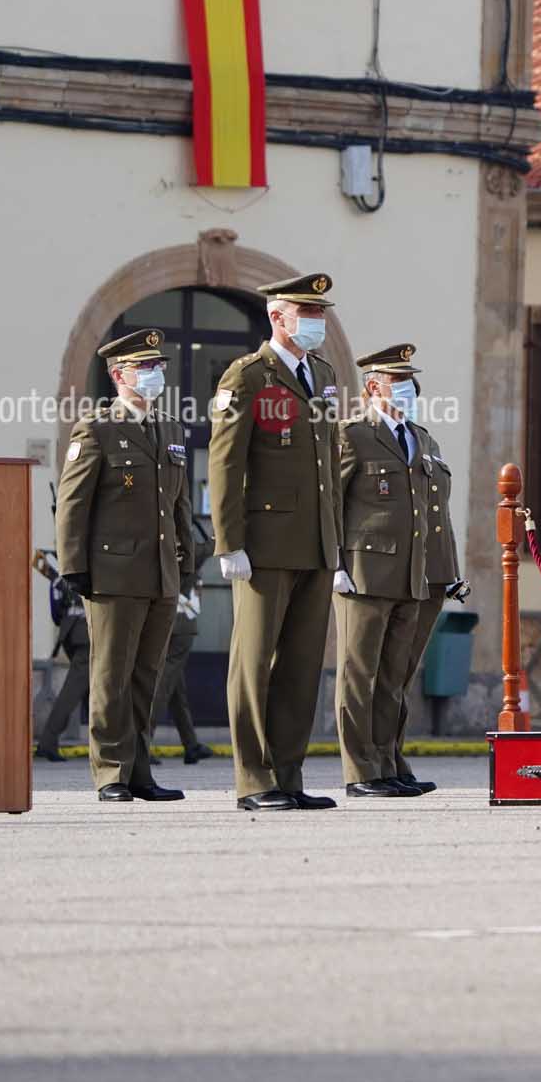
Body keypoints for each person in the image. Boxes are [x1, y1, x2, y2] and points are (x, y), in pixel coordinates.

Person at [209, 273, 344, 813]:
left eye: (321, 313)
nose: (317, 323)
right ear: (277, 317)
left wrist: (336, 544)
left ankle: (288, 773)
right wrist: (229, 542)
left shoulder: (325, 375)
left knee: (301, 664)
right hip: (263, 543)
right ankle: (253, 779)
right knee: (254, 660)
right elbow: (225, 462)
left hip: (315, 543)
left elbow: (328, 467)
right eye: (306, 313)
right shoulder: (247, 376)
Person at [53, 329, 194, 803]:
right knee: (111, 674)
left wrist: (186, 564)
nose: (156, 376)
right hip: (113, 574)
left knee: (146, 676)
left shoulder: (171, 429)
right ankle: (111, 771)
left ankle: (138, 770)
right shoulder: (97, 429)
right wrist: (74, 567)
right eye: (146, 368)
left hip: (160, 573)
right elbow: (73, 504)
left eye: (159, 368)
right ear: (119, 375)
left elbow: (179, 507)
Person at [334, 343, 462, 797]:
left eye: (411, 383)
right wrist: (335, 562)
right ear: (373, 387)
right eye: (399, 383)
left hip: (416, 574)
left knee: (395, 675)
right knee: (359, 673)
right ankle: (360, 771)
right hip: (365, 571)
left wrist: (448, 568)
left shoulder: (423, 439)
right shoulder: (352, 436)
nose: (409, 391)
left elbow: (435, 512)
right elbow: (333, 502)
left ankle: (389, 761)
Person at [153, 581, 213, 764]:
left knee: (176, 689)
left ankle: (191, 744)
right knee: (164, 685)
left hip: (166, 616)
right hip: (181, 618)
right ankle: (141, 741)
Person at [35, 563, 90, 762]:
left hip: (70, 631)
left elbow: (55, 609)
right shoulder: (95, 558)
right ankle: (47, 742)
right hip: (88, 633)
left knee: (94, 691)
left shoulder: (61, 569)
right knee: (72, 691)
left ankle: (107, 745)